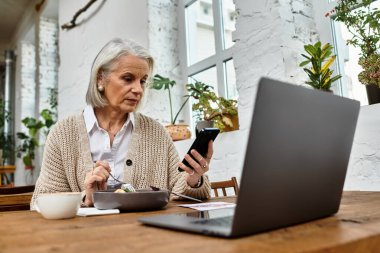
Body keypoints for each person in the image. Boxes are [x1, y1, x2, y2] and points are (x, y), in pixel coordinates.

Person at [31, 38, 213, 209]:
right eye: (128, 79)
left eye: (142, 81)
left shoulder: (156, 132)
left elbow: (177, 189)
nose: (138, 89)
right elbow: (41, 202)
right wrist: (86, 199)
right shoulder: (63, 133)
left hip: (146, 238)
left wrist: (193, 179)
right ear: (100, 79)